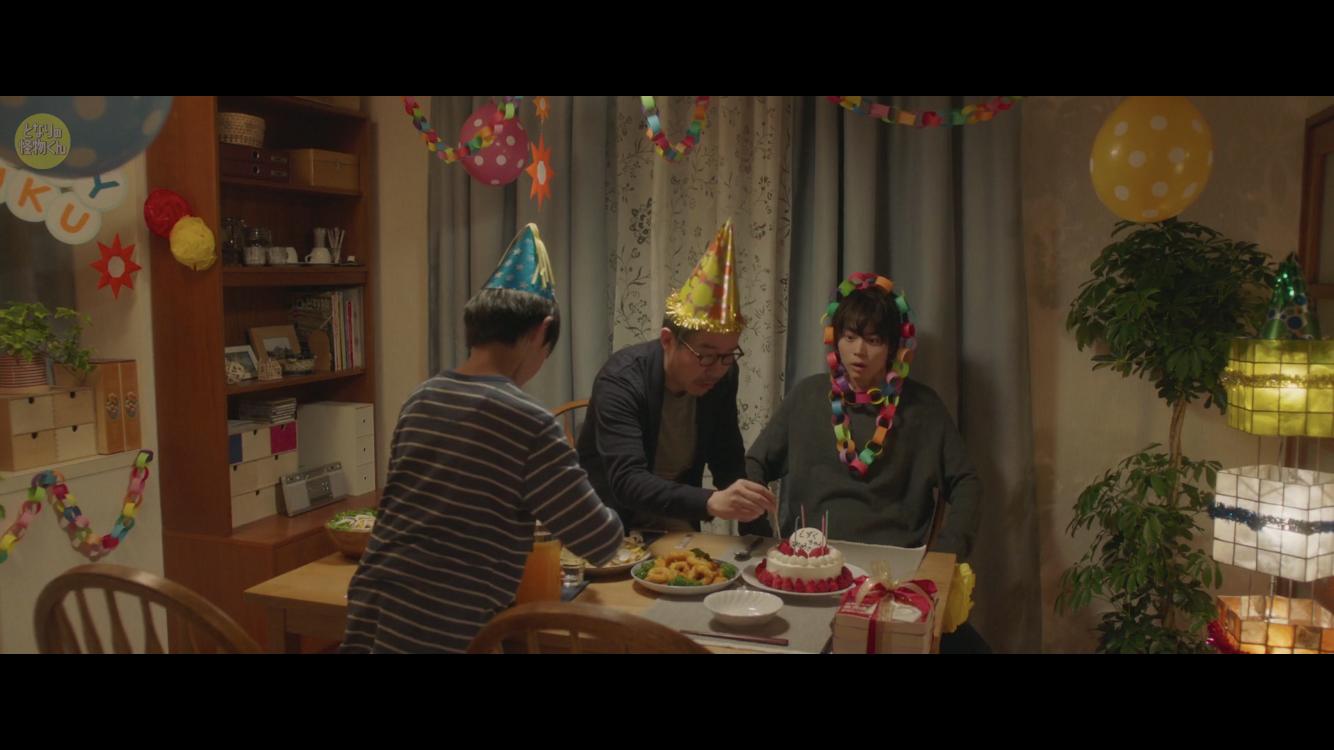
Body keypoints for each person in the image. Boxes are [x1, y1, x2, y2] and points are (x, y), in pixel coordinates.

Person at [343, 224, 623, 653]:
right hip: (448, 627)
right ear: (540, 331)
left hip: (371, 609)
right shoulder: (529, 421)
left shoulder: (422, 397)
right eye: (547, 353)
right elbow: (599, 542)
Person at [577, 219, 776, 533]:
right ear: (668, 340)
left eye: (728, 355)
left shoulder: (723, 375)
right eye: (706, 355)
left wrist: (759, 537)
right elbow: (627, 481)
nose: (717, 368)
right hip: (606, 527)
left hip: (675, 525)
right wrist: (711, 501)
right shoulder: (621, 380)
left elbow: (727, 458)